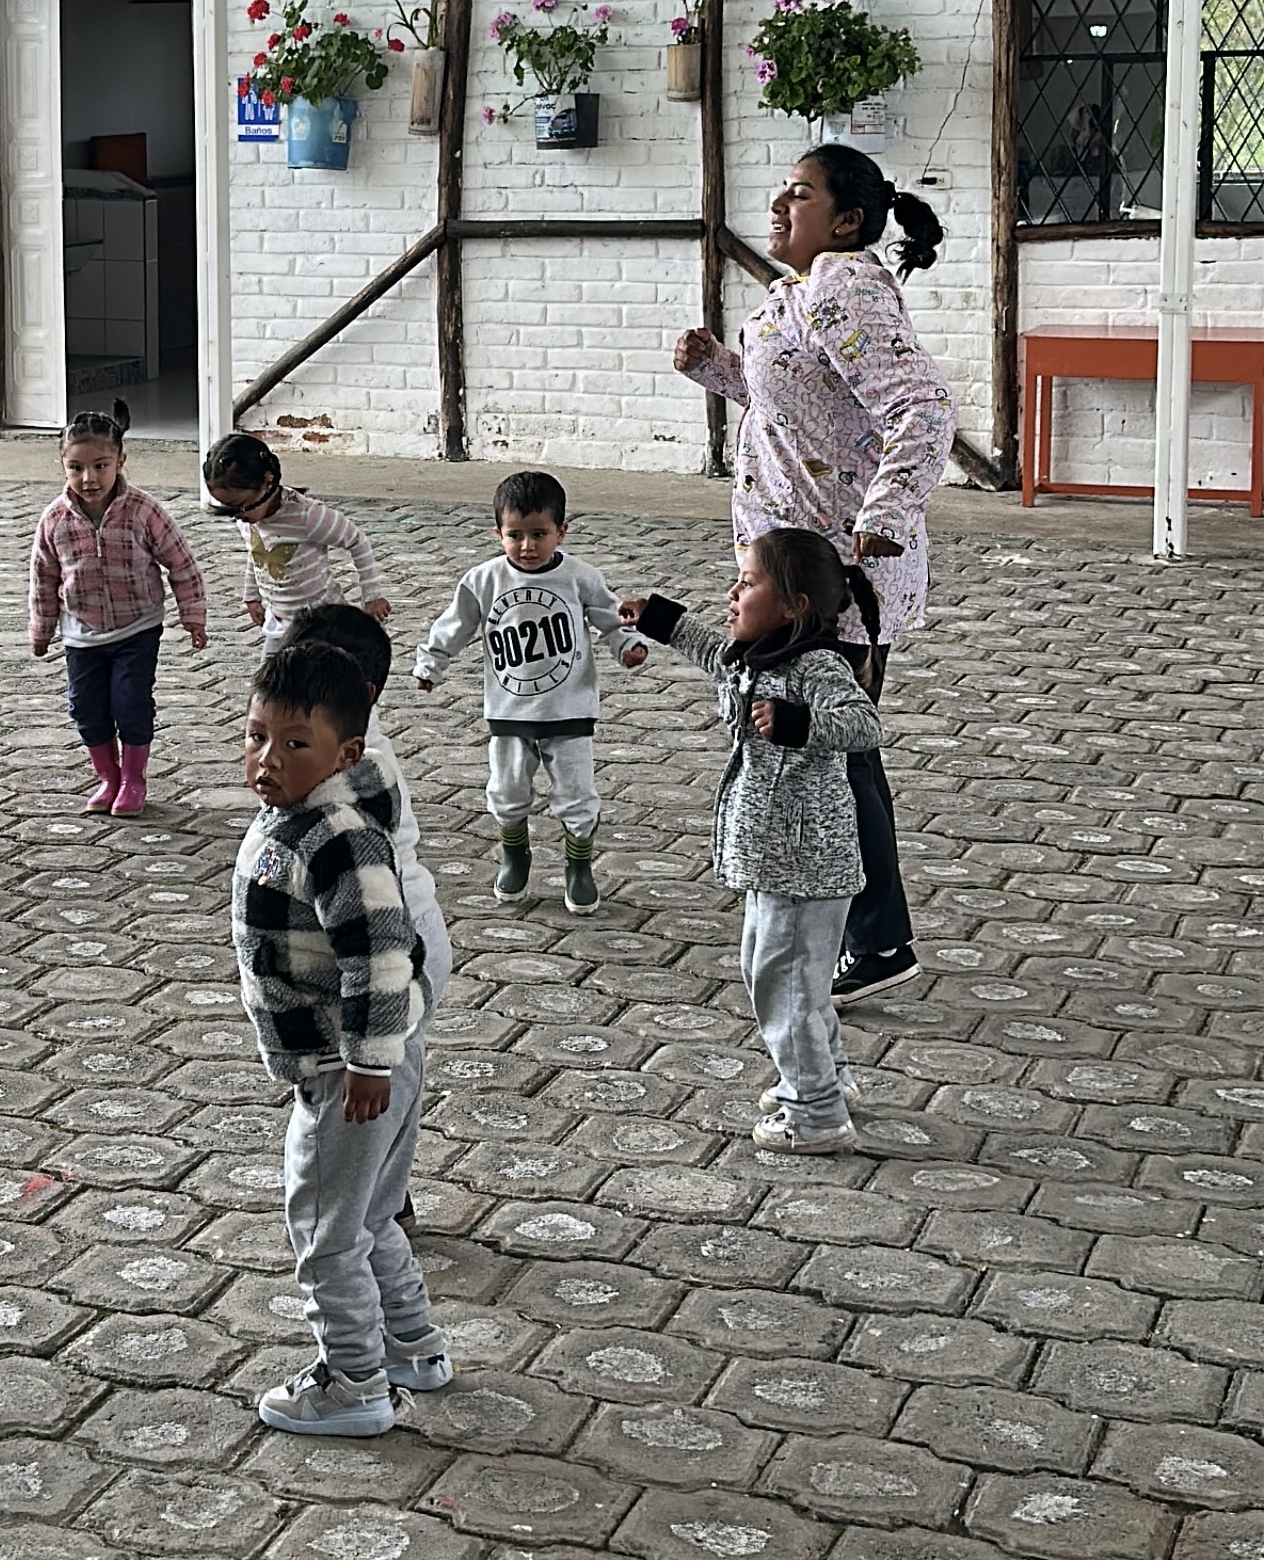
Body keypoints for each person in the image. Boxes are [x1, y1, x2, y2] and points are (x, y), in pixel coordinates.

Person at [673, 144, 954, 1004]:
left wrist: (887, 514)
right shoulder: (798, 290)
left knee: (839, 751)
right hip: (793, 564)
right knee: (820, 749)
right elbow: (801, 404)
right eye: (782, 190)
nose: (779, 205)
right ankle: (842, 920)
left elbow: (922, 408)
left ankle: (878, 941)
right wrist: (718, 369)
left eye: (800, 194)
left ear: (847, 221)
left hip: (837, 575)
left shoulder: (844, 284)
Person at [233, 641, 448, 1435]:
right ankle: (411, 1347)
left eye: (295, 744)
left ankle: (353, 1383)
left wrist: (367, 1063)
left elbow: (382, 957)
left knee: (325, 1232)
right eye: (257, 735)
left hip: (347, 1067)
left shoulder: (336, 838)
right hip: (365, 1059)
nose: (268, 758)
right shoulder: (298, 818)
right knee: (372, 1215)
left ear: (346, 753)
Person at [624, 530, 882, 1154]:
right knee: (783, 978)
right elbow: (713, 652)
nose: (733, 593)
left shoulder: (815, 666)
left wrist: (801, 724)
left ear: (793, 606)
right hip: (773, 862)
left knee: (785, 988)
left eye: (747, 583)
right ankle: (829, 1078)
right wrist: (659, 618)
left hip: (804, 865)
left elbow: (864, 723)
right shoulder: (758, 656)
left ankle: (814, 1113)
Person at [413, 470, 644, 915]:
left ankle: (579, 866)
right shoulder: (483, 580)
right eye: (515, 535)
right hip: (509, 710)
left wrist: (628, 646)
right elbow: (454, 625)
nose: (527, 546)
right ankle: (515, 855)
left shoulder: (579, 577)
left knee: (576, 793)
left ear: (562, 531)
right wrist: (431, 664)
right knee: (507, 789)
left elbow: (611, 617)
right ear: (497, 532)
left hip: (569, 708)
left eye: (539, 534)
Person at [265, 603, 449, 1015]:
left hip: (397, 938)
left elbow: (376, 954)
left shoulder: (358, 772)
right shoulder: (318, 746)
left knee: (384, 1054)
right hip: (347, 938)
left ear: (362, 694)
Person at [28, 398, 208, 816]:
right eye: (76, 467)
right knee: (86, 708)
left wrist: (193, 615)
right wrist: (41, 630)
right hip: (81, 633)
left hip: (136, 627)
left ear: (120, 461)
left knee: (130, 701)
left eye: (100, 465)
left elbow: (181, 562)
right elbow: (43, 577)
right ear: (62, 466)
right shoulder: (54, 520)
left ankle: (133, 779)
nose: (88, 478)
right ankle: (108, 777)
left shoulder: (143, 511)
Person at [202, 432, 388, 643]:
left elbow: (356, 541)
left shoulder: (307, 516)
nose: (236, 515)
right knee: (273, 666)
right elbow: (258, 553)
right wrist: (252, 595)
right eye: (228, 508)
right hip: (281, 623)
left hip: (322, 623)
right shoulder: (249, 518)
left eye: (240, 506)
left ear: (268, 482)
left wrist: (372, 596)